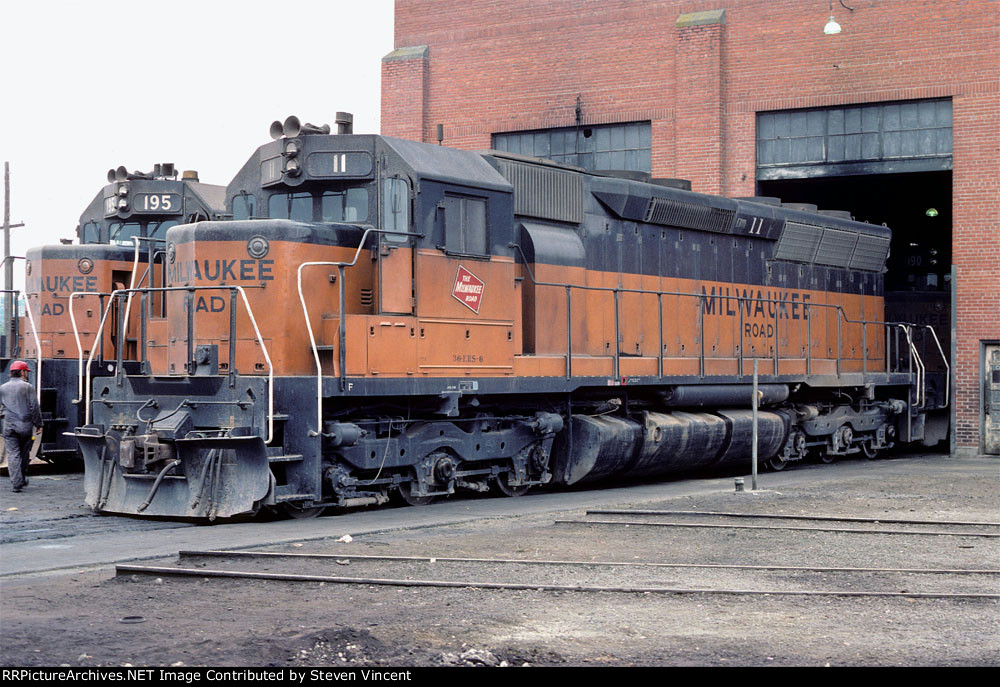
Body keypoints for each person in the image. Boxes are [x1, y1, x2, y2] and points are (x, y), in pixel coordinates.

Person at [1, 361, 42, 493]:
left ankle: (16, 484)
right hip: (24, 426)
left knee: (13, 454)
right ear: (22, 372)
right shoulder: (28, 387)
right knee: (24, 453)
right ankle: (22, 478)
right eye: (26, 372)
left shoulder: (3, 387)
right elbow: (34, 407)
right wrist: (39, 424)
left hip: (8, 425)